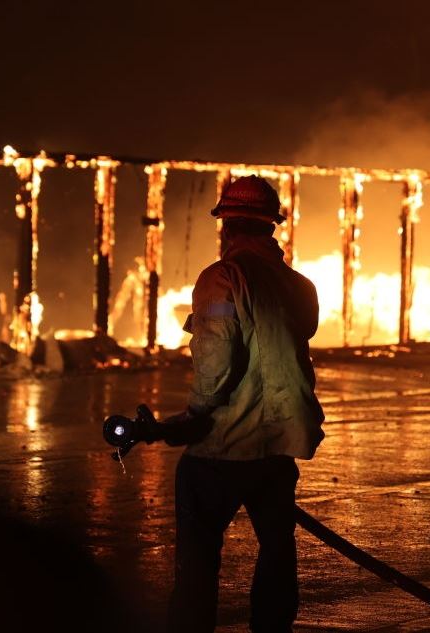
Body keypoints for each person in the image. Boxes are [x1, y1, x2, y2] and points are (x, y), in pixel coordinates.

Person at [163, 175, 325, 633]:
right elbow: (298, 334)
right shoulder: (299, 286)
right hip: (278, 446)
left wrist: (194, 415)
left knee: (197, 562)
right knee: (277, 551)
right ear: (272, 227)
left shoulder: (222, 277)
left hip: (224, 444)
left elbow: (216, 361)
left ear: (226, 227)